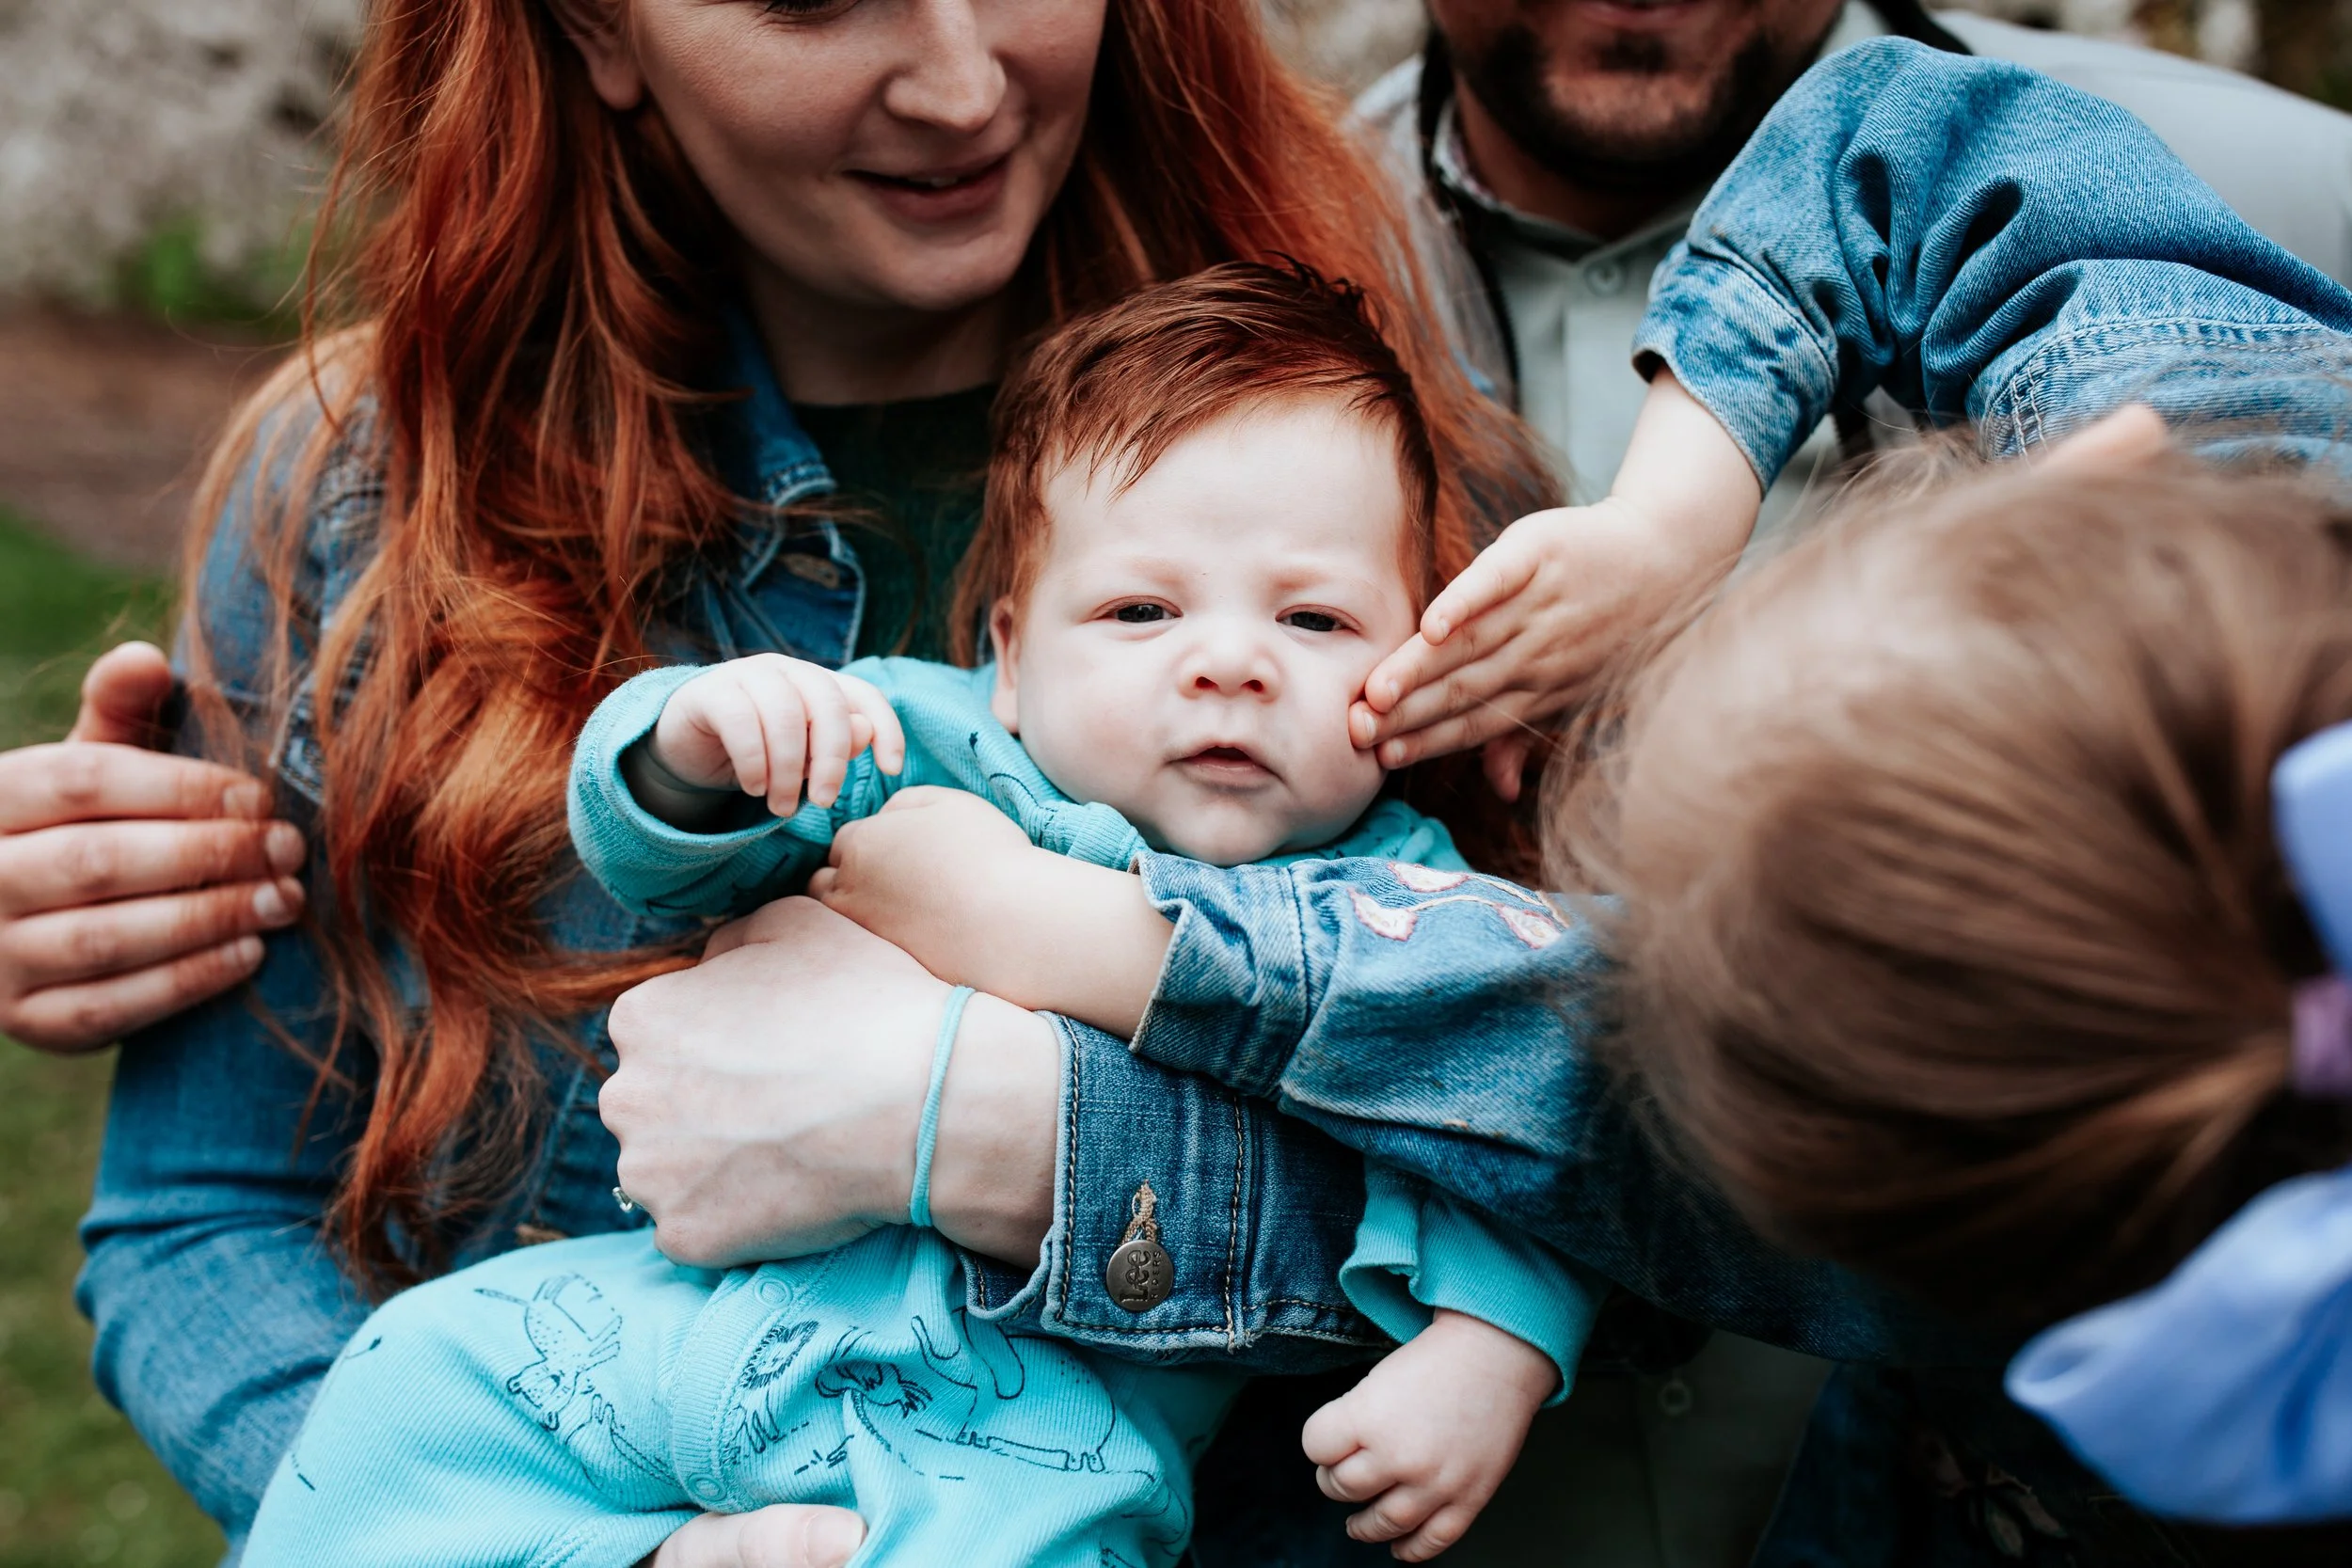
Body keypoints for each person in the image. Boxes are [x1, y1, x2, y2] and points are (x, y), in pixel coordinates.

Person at [715, 39, 2352, 1568]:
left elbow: (1596, 1107)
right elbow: (1900, 144)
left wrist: (1101, 968)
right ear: (2085, 502)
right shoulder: (2259, 496)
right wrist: (1665, 535)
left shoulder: (2098, 1294)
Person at [31, 3, 1565, 1562]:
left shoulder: (1427, 505)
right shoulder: (373, 502)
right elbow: (203, 1224)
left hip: (1029, 1469)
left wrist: (1003, 1132)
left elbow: (1629, 1166)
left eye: (1311, 623)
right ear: (602, 33)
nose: (964, 86)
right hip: (621, 1393)